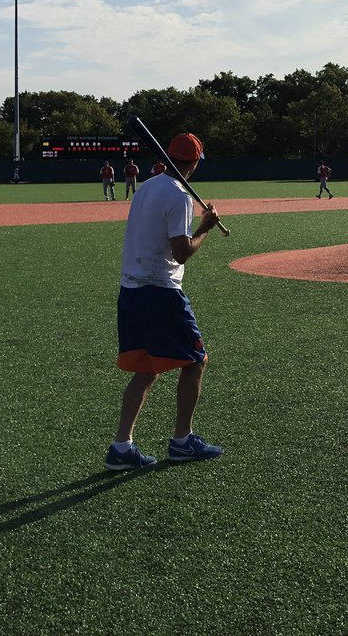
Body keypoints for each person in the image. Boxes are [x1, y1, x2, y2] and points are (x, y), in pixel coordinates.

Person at [105, 132, 224, 470]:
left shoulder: (147, 188)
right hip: (160, 291)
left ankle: (121, 447)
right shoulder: (179, 195)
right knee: (196, 360)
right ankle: (183, 441)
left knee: (146, 370)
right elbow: (182, 252)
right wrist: (205, 228)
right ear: (196, 162)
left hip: (132, 290)